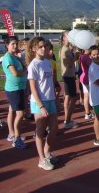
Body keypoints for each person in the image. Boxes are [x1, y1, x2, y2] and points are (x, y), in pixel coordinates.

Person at [27, 37, 58, 170]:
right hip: (39, 102)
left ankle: (47, 152)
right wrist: (41, 105)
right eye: (40, 47)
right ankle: (41, 159)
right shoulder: (33, 65)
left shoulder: (47, 62)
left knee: (54, 128)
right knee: (40, 131)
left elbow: (49, 82)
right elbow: (33, 88)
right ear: (34, 49)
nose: (43, 49)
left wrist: (55, 95)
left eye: (44, 46)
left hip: (50, 99)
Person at [2, 36, 27, 149]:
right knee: (20, 114)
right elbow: (15, 73)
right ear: (7, 46)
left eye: (16, 44)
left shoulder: (14, 57)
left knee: (12, 111)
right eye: (12, 44)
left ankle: (12, 134)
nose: (15, 46)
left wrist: (21, 60)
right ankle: (17, 139)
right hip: (14, 89)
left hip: (19, 87)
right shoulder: (8, 58)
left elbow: (21, 67)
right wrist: (26, 70)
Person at [59, 31, 79, 129]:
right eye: (68, 36)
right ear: (64, 38)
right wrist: (75, 58)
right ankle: (67, 121)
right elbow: (68, 64)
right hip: (68, 76)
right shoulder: (65, 50)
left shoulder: (67, 49)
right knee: (73, 98)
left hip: (69, 76)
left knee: (69, 97)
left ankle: (68, 119)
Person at [79, 48, 93, 119]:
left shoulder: (82, 56)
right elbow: (91, 65)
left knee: (86, 95)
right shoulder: (85, 56)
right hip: (87, 78)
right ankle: (90, 113)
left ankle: (88, 113)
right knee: (90, 95)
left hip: (84, 77)